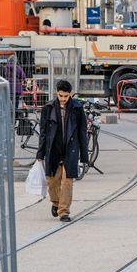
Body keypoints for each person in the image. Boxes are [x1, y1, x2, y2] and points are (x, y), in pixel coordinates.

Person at [36, 80, 88, 222]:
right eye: (60, 96)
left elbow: (82, 132)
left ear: (70, 94)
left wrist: (84, 155)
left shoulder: (77, 108)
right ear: (56, 93)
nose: (63, 99)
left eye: (66, 96)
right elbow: (43, 132)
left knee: (67, 181)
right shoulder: (48, 108)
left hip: (70, 149)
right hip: (53, 149)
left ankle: (64, 211)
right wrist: (40, 153)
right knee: (52, 181)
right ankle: (56, 203)